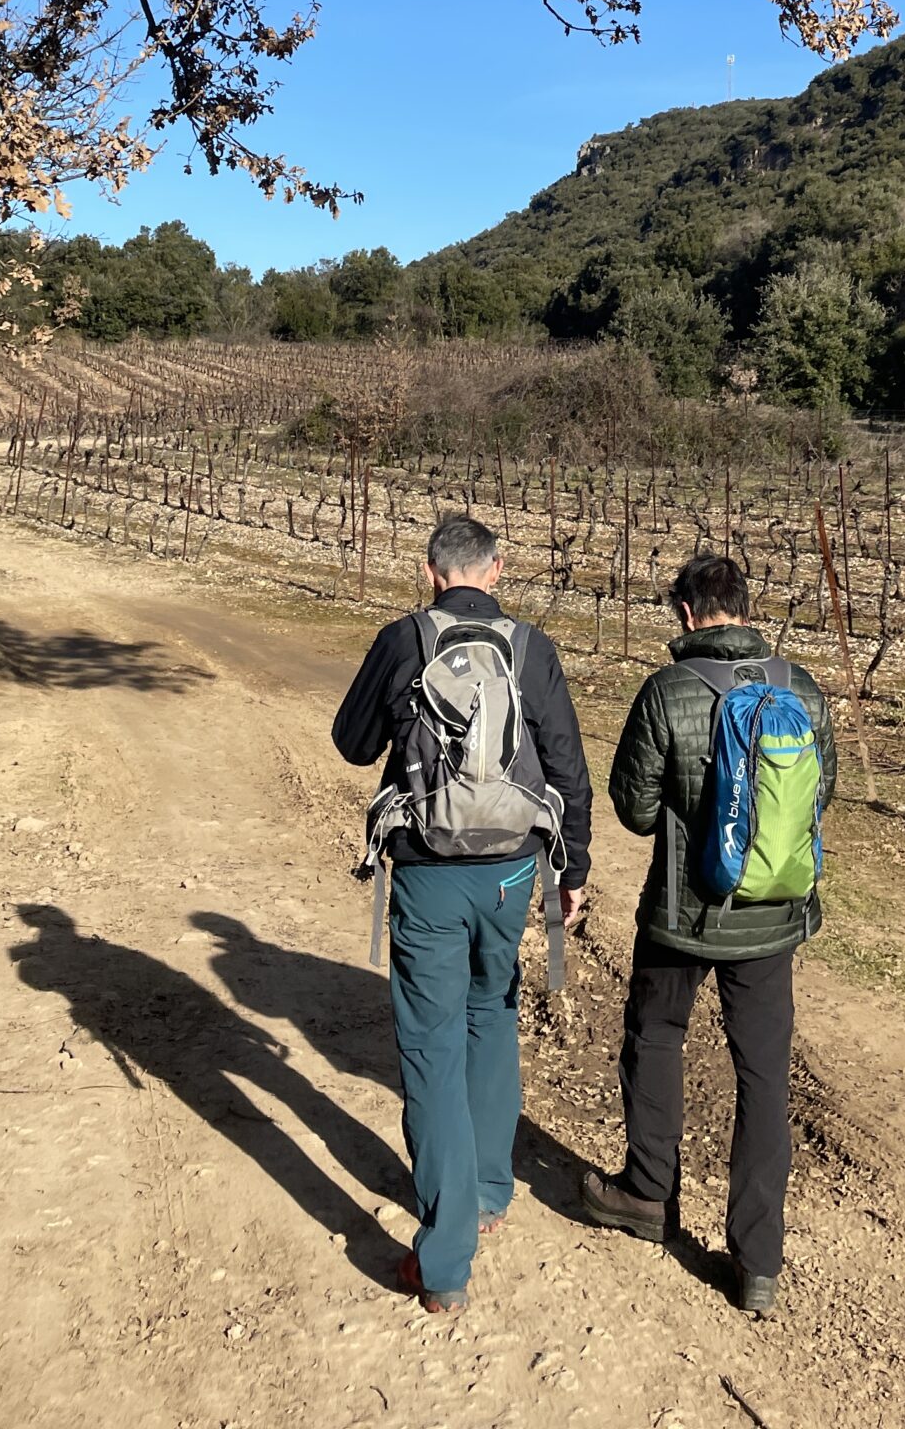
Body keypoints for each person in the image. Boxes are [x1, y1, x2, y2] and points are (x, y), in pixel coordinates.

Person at [333, 512, 591, 1312]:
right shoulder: (532, 648)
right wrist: (571, 870)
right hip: (513, 873)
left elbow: (350, 742)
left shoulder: (405, 639)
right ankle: (487, 1191)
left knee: (431, 1043)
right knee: (492, 1016)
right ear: (499, 571)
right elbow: (569, 770)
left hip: (429, 873)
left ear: (430, 571)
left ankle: (442, 1263)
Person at [582, 551, 836, 1316]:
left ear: (688, 614)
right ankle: (757, 1261)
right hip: (774, 916)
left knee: (656, 1037)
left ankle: (648, 1194)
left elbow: (631, 808)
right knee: (762, 1075)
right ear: (747, 608)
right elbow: (824, 795)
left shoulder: (668, 692)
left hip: (682, 916)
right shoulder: (802, 689)